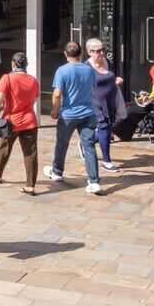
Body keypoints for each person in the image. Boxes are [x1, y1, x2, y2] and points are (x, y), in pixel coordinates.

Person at [49, 40, 102, 194]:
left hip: (68, 115)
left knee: (61, 143)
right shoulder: (89, 70)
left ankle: (57, 171)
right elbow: (93, 89)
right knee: (89, 146)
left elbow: (57, 94)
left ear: (65, 54)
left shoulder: (62, 71)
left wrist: (54, 111)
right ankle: (94, 181)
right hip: (88, 113)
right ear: (81, 54)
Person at [0, 51, 41, 194]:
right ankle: (30, 185)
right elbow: (34, 99)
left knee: (5, 148)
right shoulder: (33, 81)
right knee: (31, 153)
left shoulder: (7, 78)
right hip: (30, 121)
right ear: (26, 65)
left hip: (10, 122)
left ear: (13, 64)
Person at [86, 37, 127, 172]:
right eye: (98, 51)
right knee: (105, 129)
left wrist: (117, 80)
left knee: (107, 130)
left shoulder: (107, 62)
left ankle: (87, 140)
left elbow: (111, 78)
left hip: (111, 101)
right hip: (97, 103)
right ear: (89, 52)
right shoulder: (86, 67)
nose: (102, 53)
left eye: (102, 49)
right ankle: (106, 161)